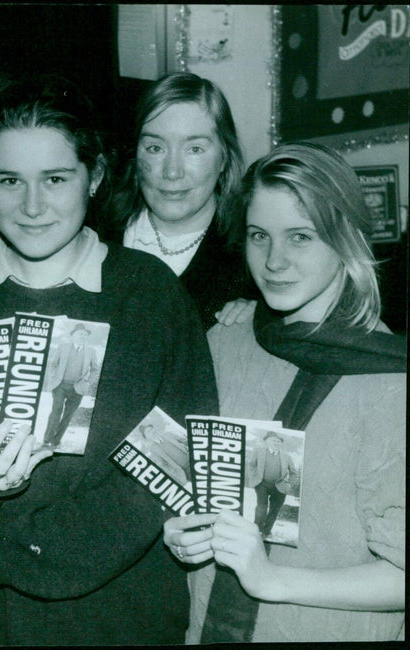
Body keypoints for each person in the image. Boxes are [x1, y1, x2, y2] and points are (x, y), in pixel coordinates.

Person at [0, 74, 217, 645]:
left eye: (54, 179)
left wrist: (21, 549)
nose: (31, 205)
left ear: (94, 176)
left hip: (126, 614)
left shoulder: (150, 295)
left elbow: (177, 457)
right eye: (8, 180)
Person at [163, 142, 406, 643]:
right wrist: (179, 527)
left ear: (345, 238)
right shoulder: (225, 341)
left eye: (300, 236)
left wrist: (274, 580)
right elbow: (187, 478)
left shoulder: (390, 381)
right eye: (259, 236)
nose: (274, 260)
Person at [98, 72, 254, 330]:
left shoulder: (249, 260)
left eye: (194, 149)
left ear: (224, 158)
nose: (172, 172)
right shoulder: (97, 230)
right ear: (136, 154)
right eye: (155, 148)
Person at [41, 323, 99, 449]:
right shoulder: (63, 347)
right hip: (60, 386)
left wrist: (88, 382)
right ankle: (46, 440)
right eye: (80, 334)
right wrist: (54, 379)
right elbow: (53, 364)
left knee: (68, 415)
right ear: (73, 335)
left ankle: (56, 441)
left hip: (78, 389)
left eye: (85, 334)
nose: (82, 336)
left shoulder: (91, 351)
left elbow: (95, 369)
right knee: (56, 411)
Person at [247, 430, 296, 538]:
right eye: (275, 441)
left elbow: (293, 473)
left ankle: (266, 532)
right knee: (261, 507)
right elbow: (251, 465)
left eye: (279, 441)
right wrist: (254, 479)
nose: (277, 443)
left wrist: (288, 484)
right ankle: (256, 529)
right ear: (267, 441)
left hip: (279, 487)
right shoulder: (258, 451)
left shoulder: (286, 457)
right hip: (262, 484)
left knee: (274, 510)